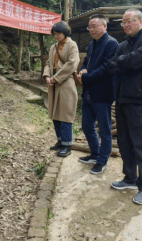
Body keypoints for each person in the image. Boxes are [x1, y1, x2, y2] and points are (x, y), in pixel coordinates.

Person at [107, 9, 142, 205]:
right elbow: (112, 66)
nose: (126, 25)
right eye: (123, 22)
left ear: (141, 21)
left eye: (130, 21)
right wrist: (125, 63)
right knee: (124, 142)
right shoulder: (122, 45)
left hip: (141, 100)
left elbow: (135, 61)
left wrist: (123, 62)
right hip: (122, 99)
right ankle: (129, 178)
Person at [75, 15, 119, 174]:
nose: (92, 30)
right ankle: (94, 153)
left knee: (105, 129)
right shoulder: (92, 44)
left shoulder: (111, 43)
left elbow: (107, 69)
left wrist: (86, 77)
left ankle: (102, 160)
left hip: (103, 93)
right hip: (88, 92)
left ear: (104, 26)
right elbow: (87, 62)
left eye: (94, 26)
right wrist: (82, 70)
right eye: (90, 27)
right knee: (87, 126)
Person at [42, 21, 80, 157]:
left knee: (65, 114)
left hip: (65, 82)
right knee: (55, 114)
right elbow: (48, 63)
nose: (56, 36)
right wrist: (47, 76)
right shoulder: (53, 47)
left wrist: (55, 78)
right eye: (54, 34)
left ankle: (67, 144)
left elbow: (72, 64)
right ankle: (60, 141)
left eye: (58, 33)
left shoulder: (72, 45)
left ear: (65, 32)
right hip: (53, 83)